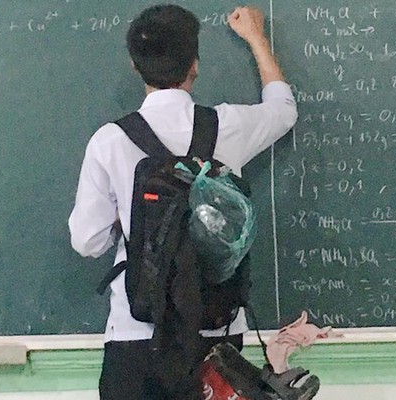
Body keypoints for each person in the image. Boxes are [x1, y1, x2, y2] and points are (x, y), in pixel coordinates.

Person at [69, 4, 297, 399]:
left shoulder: (110, 140)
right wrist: (256, 38)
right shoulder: (226, 126)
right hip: (217, 339)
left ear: (135, 66)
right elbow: (283, 111)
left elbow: (86, 241)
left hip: (136, 334)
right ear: (195, 65)